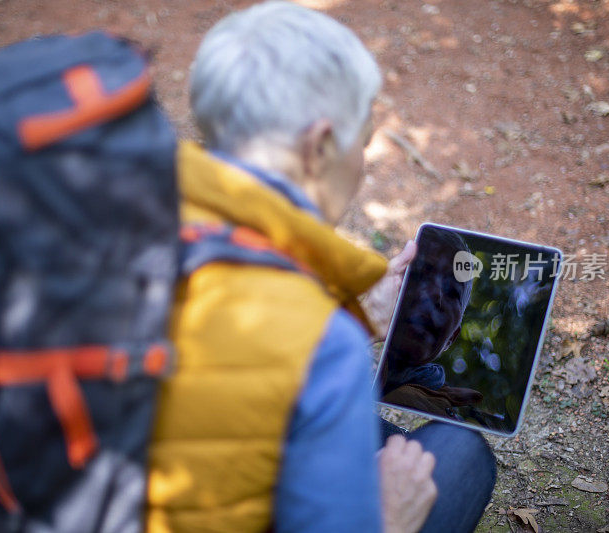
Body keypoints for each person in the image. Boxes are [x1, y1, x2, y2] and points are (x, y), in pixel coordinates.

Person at [144, 2, 496, 532]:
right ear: (320, 145)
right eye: (364, 140)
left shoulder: (126, 207)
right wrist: (390, 518)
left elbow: (233, 381)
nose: (362, 163)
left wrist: (358, 317)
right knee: (460, 452)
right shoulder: (323, 347)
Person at [380, 227, 484, 417]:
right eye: (420, 275)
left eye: (451, 291)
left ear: (452, 337)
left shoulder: (439, 410)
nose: (435, 294)